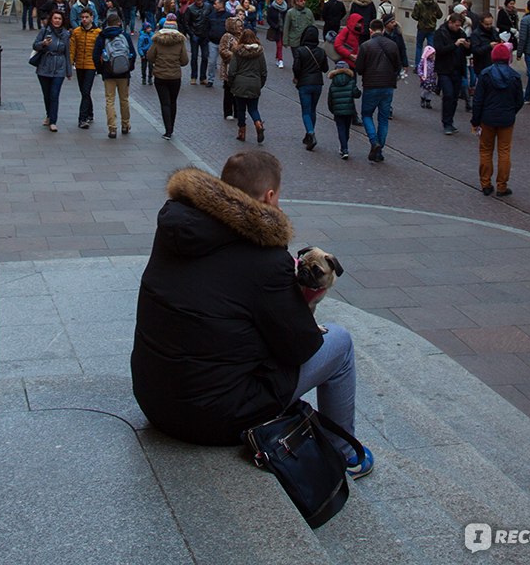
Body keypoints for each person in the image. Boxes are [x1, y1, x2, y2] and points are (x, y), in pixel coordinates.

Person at [130, 151, 373, 476]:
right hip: (214, 419)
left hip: (154, 397)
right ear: (270, 196)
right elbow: (300, 347)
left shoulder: (176, 224)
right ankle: (345, 455)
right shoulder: (266, 258)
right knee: (339, 344)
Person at [471, 42, 525, 197]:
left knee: (486, 150)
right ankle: (502, 185)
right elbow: (519, 101)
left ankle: (486, 183)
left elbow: (478, 100)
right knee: (504, 151)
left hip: (487, 118)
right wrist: (511, 112)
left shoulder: (485, 74)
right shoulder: (515, 76)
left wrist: (475, 120)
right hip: (506, 118)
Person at [354, 19, 401, 162]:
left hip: (371, 85)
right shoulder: (392, 45)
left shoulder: (365, 46)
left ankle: (374, 142)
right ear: (382, 29)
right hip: (388, 86)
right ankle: (379, 151)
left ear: (370, 30)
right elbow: (397, 66)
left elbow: (359, 69)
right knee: (383, 118)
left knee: (367, 114)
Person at [93, 10, 136, 138]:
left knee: (109, 100)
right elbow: (132, 54)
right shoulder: (125, 36)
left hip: (108, 73)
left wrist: (101, 70)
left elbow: (95, 56)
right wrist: (128, 68)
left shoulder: (102, 36)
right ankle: (125, 124)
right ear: (118, 23)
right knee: (124, 99)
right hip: (123, 73)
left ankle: (112, 128)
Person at [147, 11, 189, 139]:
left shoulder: (157, 41)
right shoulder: (180, 42)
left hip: (160, 76)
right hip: (175, 76)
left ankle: (168, 130)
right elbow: (184, 61)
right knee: (173, 102)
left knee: (164, 103)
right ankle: (172, 126)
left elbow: (150, 56)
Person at [32, 10, 72, 131]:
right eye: (55, 18)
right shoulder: (45, 31)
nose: (57, 21)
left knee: (54, 94)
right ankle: (49, 115)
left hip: (59, 66)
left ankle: (53, 121)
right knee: (47, 94)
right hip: (45, 66)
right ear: (51, 19)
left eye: (59, 19)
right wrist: (43, 43)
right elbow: (35, 45)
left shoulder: (65, 34)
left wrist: (68, 71)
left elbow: (67, 53)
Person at [227, 28, 267, 143]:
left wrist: (231, 83)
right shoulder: (260, 53)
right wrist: (260, 84)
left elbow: (232, 71)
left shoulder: (237, 52)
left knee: (240, 109)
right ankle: (258, 124)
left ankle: (242, 132)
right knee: (253, 108)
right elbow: (263, 71)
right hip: (255, 83)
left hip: (240, 83)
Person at [433, 12, 471, 134]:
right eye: (456, 25)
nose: (458, 27)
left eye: (459, 25)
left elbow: (468, 51)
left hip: (458, 69)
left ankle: (450, 120)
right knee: (448, 95)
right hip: (444, 69)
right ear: (450, 23)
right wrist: (454, 45)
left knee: (454, 97)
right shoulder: (440, 33)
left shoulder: (461, 33)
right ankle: (446, 123)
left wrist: (467, 46)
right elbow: (439, 50)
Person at [292, 25, 328, 150]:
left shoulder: (300, 51)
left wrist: (297, 76)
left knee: (306, 111)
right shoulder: (321, 51)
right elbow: (325, 68)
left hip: (304, 83)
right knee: (313, 109)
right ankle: (309, 133)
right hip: (318, 83)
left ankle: (311, 133)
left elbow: (296, 67)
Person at [69, 7, 100, 129]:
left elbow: (99, 50)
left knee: (86, 91)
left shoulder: (98, 32)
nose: (84, 20)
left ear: (92, 18)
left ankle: (82, 118)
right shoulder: (76, 32)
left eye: (87, 17)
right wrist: (70, 64)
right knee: (84, 92)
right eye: (82, 17)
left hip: (91, 66)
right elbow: (72, 49)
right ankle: (90, 113)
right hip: (80, 65)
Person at [327, 60, 361, 159]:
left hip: (337, 111)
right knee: (346, 129)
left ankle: (344, 148)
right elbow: (357, 94)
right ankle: (344, 146)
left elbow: (330, 99)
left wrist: (332, 110)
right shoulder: (351, 81)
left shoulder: (333, 84)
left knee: (341, 128)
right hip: (349, 110)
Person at [218, 15, 244, 120]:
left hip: (241, 68)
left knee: (239, 91)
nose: (240, 28)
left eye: (241, 26)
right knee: (229, 90)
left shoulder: (242, 36)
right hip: (229, 67)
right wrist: (235, 56)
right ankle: (228, 112)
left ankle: (239, 111)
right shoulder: (227, 36)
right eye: (238, 26)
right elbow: (223, 50)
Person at [184, 0, 211, 84]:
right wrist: (192, 34)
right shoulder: (190, 8)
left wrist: (209, 33)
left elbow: (210, 19)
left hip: (205, 36)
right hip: (195, 35)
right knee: (194, 57)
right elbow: (186, 23)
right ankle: (193, 76)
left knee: (205, 57)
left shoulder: (208, 7)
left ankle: (203, 77)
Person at [411, 0, 443, 69]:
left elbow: (414, 15)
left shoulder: (419, 3)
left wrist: (420, 18)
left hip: (422, 28)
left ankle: (418, 65)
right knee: (431, 47)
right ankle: (430, 65)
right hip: (432, 28)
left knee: (419, 46)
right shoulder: (434, 4)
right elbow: (440, 15)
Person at [282, 0, 315, 65]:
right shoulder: (290, 12)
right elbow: (286, 27)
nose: (303, 2)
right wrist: (285, 41)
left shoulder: (309, 12)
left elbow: (313, 27)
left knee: (305, 59)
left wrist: (314, 39)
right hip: (295, 40)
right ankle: (297, 74)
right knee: (297, 59)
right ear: (296, 2)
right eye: (301, 1)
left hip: (306, 41)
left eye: (304, 0)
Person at [206, 0, 229, 86]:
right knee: (212, 61)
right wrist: (208, 37)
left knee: (226, 62)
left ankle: (225, 79)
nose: (214, 5)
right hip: (213, 42)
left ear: (220, 5)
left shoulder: (228, 16)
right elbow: (207, 27)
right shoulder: (211, 15)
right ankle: (210, 79)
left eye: (216, 4)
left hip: (224, 43)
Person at [470, 12, 497, 78]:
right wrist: (489, 46)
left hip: (493, 64)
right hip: (482, 66)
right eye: (487, 24)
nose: (489, 26)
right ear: (481, 23)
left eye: (491, 24)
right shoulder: (476, 34)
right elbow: (475, 50)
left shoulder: (493, 31)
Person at [265, 0, 288, 67]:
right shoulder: (272, 8)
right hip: (276, 29)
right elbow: (268, 19)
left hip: (284, 28)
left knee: (281, 44)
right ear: (276, 0)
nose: (280, 1)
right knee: (279, 45)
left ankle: (277, 57)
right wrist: (274, 25)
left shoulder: (286, 8)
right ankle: (280, 60)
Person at [417, 44, 437, 109]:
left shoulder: (434, 62)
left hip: (432, 79)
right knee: (425, 90)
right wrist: (421, 74)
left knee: (430, 91)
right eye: (432, 54)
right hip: (425, 78)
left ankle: (428, 101)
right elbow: (419, 68)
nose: (433, 56)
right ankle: (423, 98)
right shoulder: (423, 61)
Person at [137, 20, 154, 85]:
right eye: (148, 28)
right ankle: (144, 77)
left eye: (150, 28)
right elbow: (139, 46)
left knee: (151, 66)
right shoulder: (142, 37)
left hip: (150, 53)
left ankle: (150, 77)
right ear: (145, 29)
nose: (150, 29)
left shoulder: (152, 35)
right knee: (144, 67)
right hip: (144, 53)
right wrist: (141, 54)